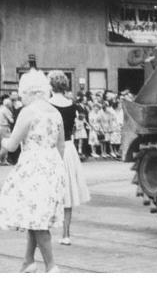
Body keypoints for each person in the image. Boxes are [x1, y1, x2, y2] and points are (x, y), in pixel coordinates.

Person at [0, 69, 66, 272]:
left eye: (23, 93)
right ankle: (28, 261)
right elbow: (61, 146)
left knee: (36, 219)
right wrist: (55, 168)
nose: (22, 97)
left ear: (32, 92)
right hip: (53, 166)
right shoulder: (56, 112)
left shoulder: (29, 111)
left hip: (33, 167)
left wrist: (3, 140)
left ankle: (51, 267)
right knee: (34, 215)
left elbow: (14, 145)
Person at [48, 70, 90, 246]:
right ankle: (66, 234)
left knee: (48, 190)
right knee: (68, 192)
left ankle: (45, 231)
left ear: (50, 85)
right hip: (69, 148)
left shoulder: (47, 104)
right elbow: (72, 128)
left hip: (51, 149)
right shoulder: (72, 105)